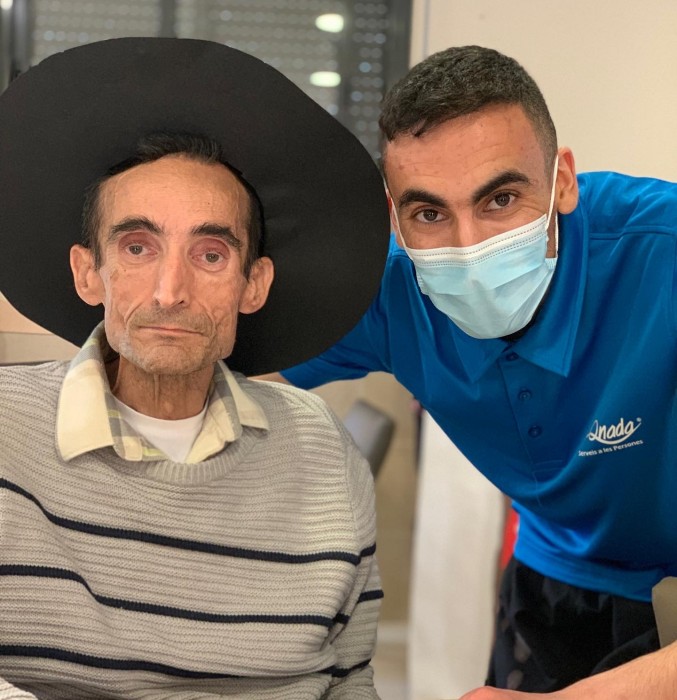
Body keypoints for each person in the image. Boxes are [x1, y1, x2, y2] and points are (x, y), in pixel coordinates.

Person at [262, 45, 677, 695]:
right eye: (429, 213)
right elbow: (220, 381)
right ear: (395, 215)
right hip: (562, 567)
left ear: (562, 182)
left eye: (501, 199)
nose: (469, 247)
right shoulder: (388, 292)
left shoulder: (662, 254)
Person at [0, 37, 392, 698]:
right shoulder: (6, 432)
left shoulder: (323, 452)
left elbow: (349, 680)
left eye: (210, 254)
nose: (169, 291)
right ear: (89, 272)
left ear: (253, 284)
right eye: (137, 247)